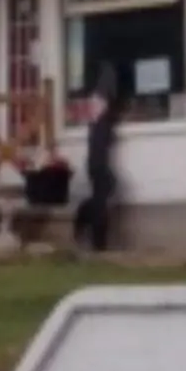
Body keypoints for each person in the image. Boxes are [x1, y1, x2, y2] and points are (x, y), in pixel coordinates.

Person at [74, 64, 120, 252]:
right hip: (99, 161)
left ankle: (85, 218)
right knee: (102, 198)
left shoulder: (96, 103)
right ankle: (97, 240)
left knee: (104, 192)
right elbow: (104, 131)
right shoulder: (103, 103)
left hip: (95, 160)